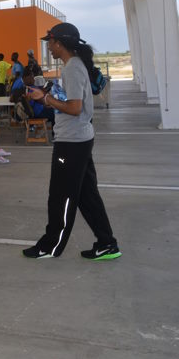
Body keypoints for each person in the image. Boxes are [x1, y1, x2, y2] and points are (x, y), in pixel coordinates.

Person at [22, 22, 121, 260]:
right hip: (79, 140)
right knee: (87, 197)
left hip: (72, 142)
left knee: (61, 196)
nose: (49, 48)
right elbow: (72, 100)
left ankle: (50, 246)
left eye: (51, 43)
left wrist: (46, 100)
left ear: (60, 43)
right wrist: (47, 94)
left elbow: (75, 108)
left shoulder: (72, 69)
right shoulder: (74, 66)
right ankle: (107, 243)